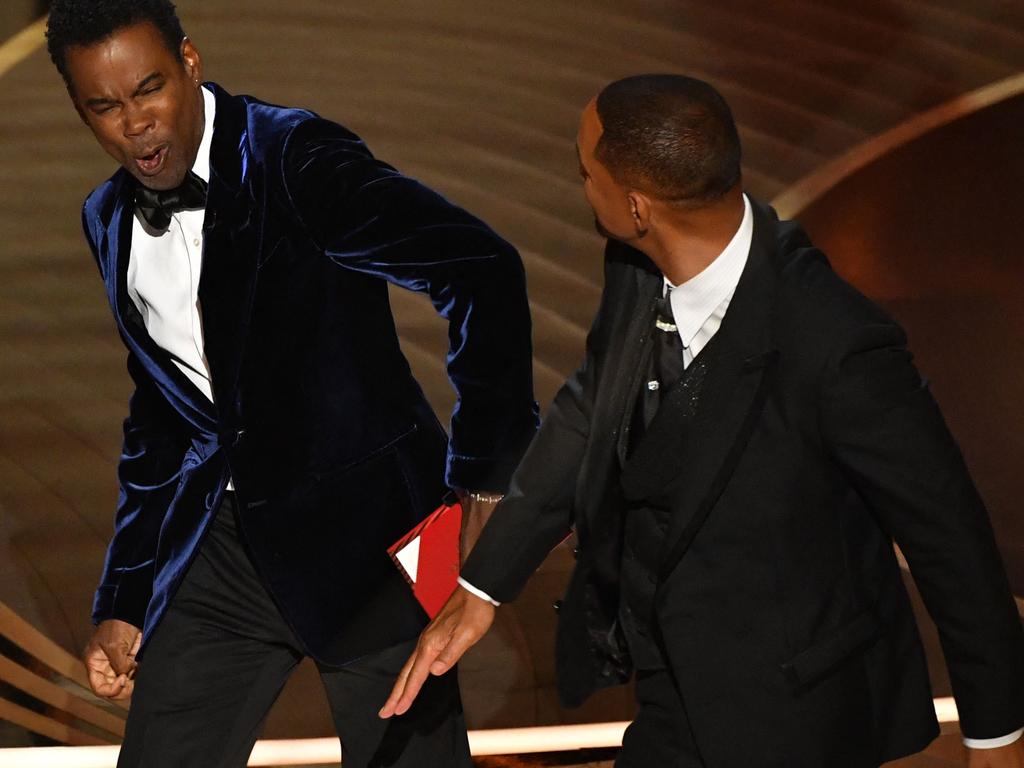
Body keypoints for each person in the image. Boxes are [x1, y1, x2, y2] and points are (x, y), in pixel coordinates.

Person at [381, 74, 1024, 767]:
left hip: (800, 715)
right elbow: (590, 409)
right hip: (673, 699)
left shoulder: (837, 345)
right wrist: (482, 587)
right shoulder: (636, 263)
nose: (580, 185)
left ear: (636, 207)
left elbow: (951, 545)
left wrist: (996, 739)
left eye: (584, 172)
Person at [45, 1, 539, 765]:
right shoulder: (107, 216)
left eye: (149, 90)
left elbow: (481, 271)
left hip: (377, 549)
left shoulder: (295, 158)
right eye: (104, 107)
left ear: (191, 62)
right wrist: (126, 597)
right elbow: (164, 416)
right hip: (225, 560)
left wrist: (484, 480)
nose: (135, 124)